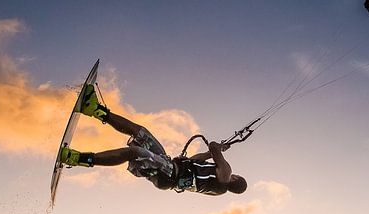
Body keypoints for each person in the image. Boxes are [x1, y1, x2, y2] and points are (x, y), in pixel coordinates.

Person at [59, 84, 247, 196]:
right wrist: (211, 153)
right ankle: (94, 109)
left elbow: (214, 146)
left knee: (134, 152)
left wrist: (219, 148)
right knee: (141, 132)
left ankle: (77, 158)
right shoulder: (216, 188)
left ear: (235, 178)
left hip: (168, 172)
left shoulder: (226, 173)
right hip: (168, 168)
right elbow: (196, 161)